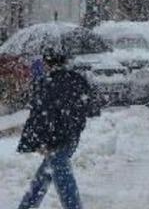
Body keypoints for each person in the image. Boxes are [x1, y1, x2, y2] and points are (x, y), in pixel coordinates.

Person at [16, 47, 99, 209]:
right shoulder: (77, 79)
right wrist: (75, 125)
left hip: (54, 140)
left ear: (47, 63)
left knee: (62, 178)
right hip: (71, 137)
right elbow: (91, 108)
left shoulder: (46, 83)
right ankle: (27, 206)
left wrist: (37, 142)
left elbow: (40, 116)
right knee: (46, 173)